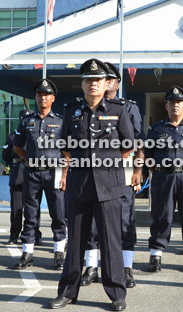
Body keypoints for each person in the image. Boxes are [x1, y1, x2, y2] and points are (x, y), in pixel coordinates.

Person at [49, 58, 134, 311]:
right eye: (89, 80)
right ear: (83, 84)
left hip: (109, 185)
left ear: (106, 83)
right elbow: (64, 145)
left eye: (98, 80)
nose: (93, 84)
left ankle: (117, 294)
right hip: (79, 184)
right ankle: (67, 292)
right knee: (75, 241)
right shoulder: (72, 111)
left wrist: (105, 164)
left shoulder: (119, 109)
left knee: (111, 241)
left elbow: (128, 144)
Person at [79, 62, 144, 288]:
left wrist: (137, 170)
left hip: (121, 167)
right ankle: (91, 266)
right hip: (91, 170)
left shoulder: (127, 107)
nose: (105, 83)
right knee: (93, 224)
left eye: (110, 79)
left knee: (124, 220)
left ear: (115, 83)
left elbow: (137, 141)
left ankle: (125, 268)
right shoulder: (83, 109)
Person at [144, 85, 183, 273]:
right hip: (164, 176)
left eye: (179, 102)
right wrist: (158, 173)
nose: (175, 105)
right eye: (171, 102)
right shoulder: (156, 129)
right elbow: (148, 155)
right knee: (162, 215)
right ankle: (156, 254)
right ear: (166, 106)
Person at [13, 79, 68, 270]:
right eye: (39, 95)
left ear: (52, 98)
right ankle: (27, 253)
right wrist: (27, 159)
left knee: (58, 214)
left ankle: (59, 253)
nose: (42, 98)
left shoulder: (61, 122)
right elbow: (17, 146)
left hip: (54, 172)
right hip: (32, 174)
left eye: (46, 95)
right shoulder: (27, 121)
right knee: (30, 214)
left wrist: (64, 175)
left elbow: (67, 151)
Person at [3, 109, 33, 246]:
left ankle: (33, 234)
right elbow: (5, 156)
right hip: (18, 175)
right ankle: (14, 234)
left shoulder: (35, 135)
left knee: (32, 207)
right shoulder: (12, 136)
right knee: (17, 208)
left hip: (31, 173)